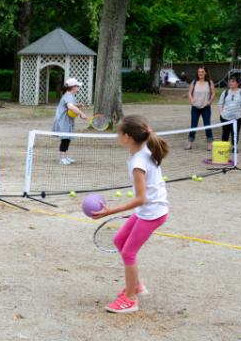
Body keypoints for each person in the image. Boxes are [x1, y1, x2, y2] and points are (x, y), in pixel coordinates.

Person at [90, 115, 169, 314]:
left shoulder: (139, 163)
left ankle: (131, 299)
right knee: (119, 240)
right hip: (148, 210)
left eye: (118, 132)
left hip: (152, 213)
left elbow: (141, 199)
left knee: (128, 252)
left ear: (127, 137)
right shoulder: (143, 151)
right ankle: (136, 285)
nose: (117, 136)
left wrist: (109, 211)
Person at [51, 78, 88, 165]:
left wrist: (77, 105)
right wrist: (81, 113)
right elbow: (70, 107)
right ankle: (62, 158)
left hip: (67, 121)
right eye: (77, 86)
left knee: (67, 139)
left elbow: (70, 106)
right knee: (65, 139)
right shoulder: (68, 96)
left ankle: (65, 156)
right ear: (73, 87)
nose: (78, 88)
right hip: (62, 121)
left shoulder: (69, 95)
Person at [185, 66, 215, 151]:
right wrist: (192, 102)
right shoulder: (194, 82)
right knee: (193, 125)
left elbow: (213, 93)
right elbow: (190, 93)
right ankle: (190, 143)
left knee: (207, 125)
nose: (200, 73)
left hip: (206, 107)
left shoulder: (209, 82)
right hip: (195, 108)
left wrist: (209, 102)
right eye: (199, 72)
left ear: (205, 73)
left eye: (202, 72)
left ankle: (209, 145)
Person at [218, 75, 241, 146]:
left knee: (235, 133)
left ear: (237, 83)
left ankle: (234, 147)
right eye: (229, 81)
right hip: (225, 117)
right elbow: (220, 104)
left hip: (237, 117)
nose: (230, 83)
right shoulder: (225, 92)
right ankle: (224, 147)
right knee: (225, 133)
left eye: (233, 81)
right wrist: (221, 113)